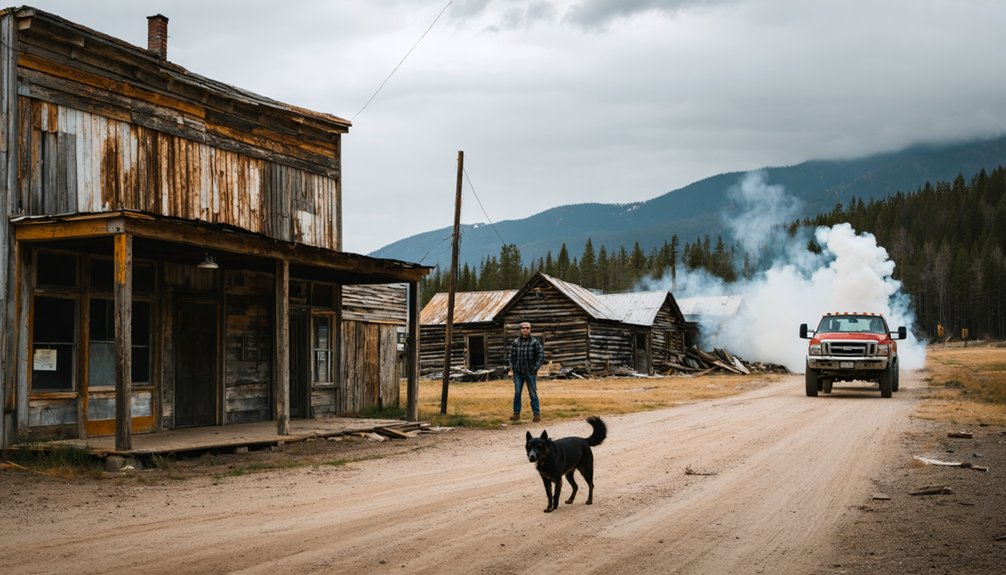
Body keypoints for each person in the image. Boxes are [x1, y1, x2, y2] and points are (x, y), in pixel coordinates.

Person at [509, 321, 544, 422]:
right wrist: (514, 368)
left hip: (530, 372)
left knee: (533, 393)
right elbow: (512, 357)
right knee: (517, 393)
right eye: (523, 328)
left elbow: (540, 356)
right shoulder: (516, 342)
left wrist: (535, 368)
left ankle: (536, 415)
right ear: (520, 329)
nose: (525, 329)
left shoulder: (535, 342)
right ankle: (516, 414)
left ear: (530, 329)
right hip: (518, 372)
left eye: (527, 328)